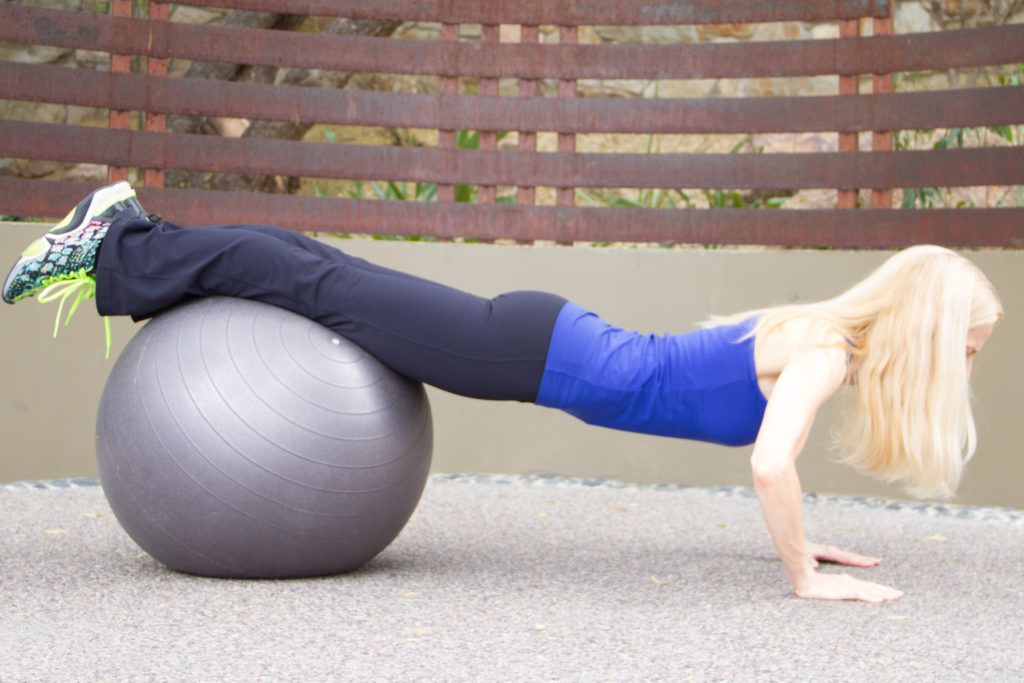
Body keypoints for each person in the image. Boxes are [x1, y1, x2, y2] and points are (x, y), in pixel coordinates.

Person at [4, 182, 1002, 603]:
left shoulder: (824, 337)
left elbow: (771, 455)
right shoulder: (827, 347)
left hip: (544, 339)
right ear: (924, 333)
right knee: (311, 282)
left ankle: (134, 237)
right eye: (966, 346)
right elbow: (771, 458)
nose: (965, 364)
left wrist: (801, 535)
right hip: (531, 352)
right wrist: (803, 575)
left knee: (316, 270)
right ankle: (119, 241)